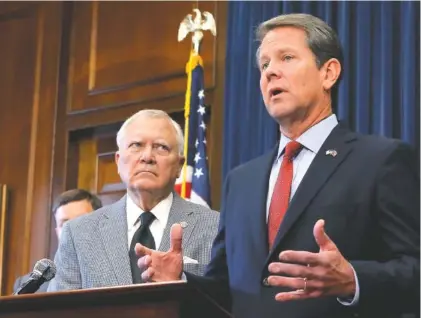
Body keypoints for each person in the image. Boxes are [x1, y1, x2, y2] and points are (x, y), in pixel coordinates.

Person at [133, 13, 420, 318]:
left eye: (286, 58)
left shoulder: (381, 160)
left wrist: (354, 280)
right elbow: (225, 289)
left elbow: (414, 269)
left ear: (329, 73)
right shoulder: (241, 180)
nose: (271, 73)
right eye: (265, 65)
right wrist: (178, 283)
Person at [47, 109, 219, 291]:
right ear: (118, 161)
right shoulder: (78, 234)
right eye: (136, 145)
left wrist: (182, 284)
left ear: (179, 165)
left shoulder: (215, 227)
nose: (147, 157)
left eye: (161, 147)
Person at [13, 189, 102, 293]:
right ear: (57, 231)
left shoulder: (118, 272)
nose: (71, 231)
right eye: (64, 224)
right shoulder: (30, 287)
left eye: (80, 221)